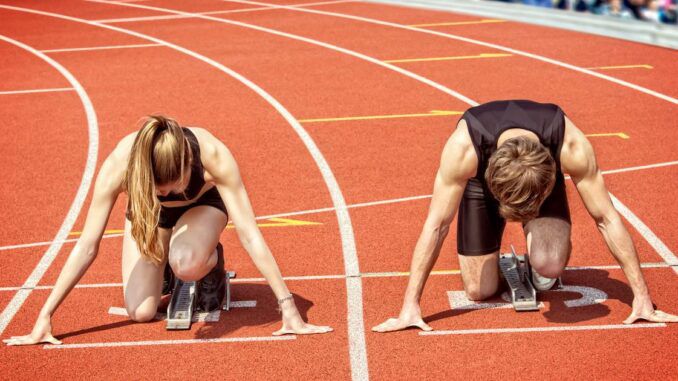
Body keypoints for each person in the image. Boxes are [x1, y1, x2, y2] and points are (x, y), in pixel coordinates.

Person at [4, 115, 332, 346]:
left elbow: (249, 233)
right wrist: (45, 315)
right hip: (150, 217)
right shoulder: (120, 164)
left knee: (186, 262)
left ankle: (208, 262)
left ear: (188, 166)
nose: (164, 193)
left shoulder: (213, 156)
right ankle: (165, 265)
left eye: (170, 188)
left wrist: (289, 309)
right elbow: (88, 245)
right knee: (141, 311)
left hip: (203, 209)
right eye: (156, 188)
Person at [373, 99, 677, 332]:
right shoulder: (463, 151)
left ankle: (538, 252)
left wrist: (642, 297)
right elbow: (437, 225)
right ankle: (501, 255)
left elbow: (606, 219)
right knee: (479, 291)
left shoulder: (570, 147)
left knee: (549, 266)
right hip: (482, 181)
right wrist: (409, 305)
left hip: (537, 178)